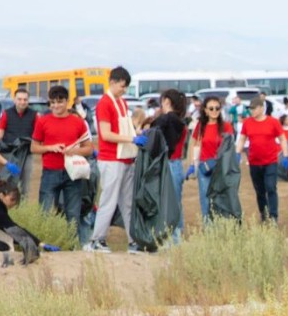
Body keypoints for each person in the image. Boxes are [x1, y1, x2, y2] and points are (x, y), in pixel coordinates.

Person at [87, 67, 140, 254]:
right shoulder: (104, 104)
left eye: (126, 87)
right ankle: (97, 239)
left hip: (125, 158)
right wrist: (132, 139)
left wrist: (135, 138)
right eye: (122, 86)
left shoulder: (122, 103)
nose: (124, 90)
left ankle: (134, 240)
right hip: (111, 159)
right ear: (113, 82)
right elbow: (106, 134)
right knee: (108, 200)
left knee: (127, 203)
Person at [32, 85, 92, 245]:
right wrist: (49, 147)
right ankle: (43, 244)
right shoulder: (43, 121)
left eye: (60, 102)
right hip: (50, 172)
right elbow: (33, 147)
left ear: (67, 102)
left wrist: (74, 151)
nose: (56, 106)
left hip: (72, 173)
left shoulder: (78, 122)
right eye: (52, 102)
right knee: (44, 210)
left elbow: (89, 148)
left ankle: (72, 246)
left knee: (73, 212)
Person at [237, 96, 288, 223]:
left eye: (254, 109)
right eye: (250, 109)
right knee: (260, 191)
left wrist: (286, 155)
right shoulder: (247, 123)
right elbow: (242, 139)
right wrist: (237, 153)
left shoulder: (273, 122)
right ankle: (264, 214)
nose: (251, 111)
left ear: (261, 108)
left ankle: (273, 216)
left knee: (271, 188)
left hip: (270, 161)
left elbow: (282, 139)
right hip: (254, 162)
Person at [147, 89, 190, 240]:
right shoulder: (181, 121)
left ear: (166, 101)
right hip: (177, 165)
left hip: (166, 164)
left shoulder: (165, 120)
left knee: (164, 204)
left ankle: (167, 238)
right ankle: (176, 237)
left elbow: (152, 138)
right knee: (176, 204)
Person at [189, 96, 234, 223]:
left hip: (221, 168)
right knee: (206, 199)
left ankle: (223, 227)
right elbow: (194, 144)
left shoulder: (226, 126)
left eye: (217, 108)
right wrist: (193, 164)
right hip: (205, 168)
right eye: (211, 108)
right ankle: (208, 228)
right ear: (205, 110)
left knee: (222, 199)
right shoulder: (201, 126)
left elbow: (229, 147)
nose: (214, 110)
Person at [0, 87, 39, 200]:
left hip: (26, 155)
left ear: (28, 100)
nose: (22, 102)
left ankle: (22, 210)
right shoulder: (6, 114)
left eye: (25, 99)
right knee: (8, 184)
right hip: (9, 155)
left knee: (25, 186)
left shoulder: (34, 115)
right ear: (14, 100)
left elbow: (39, 135)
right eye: (19, 99)